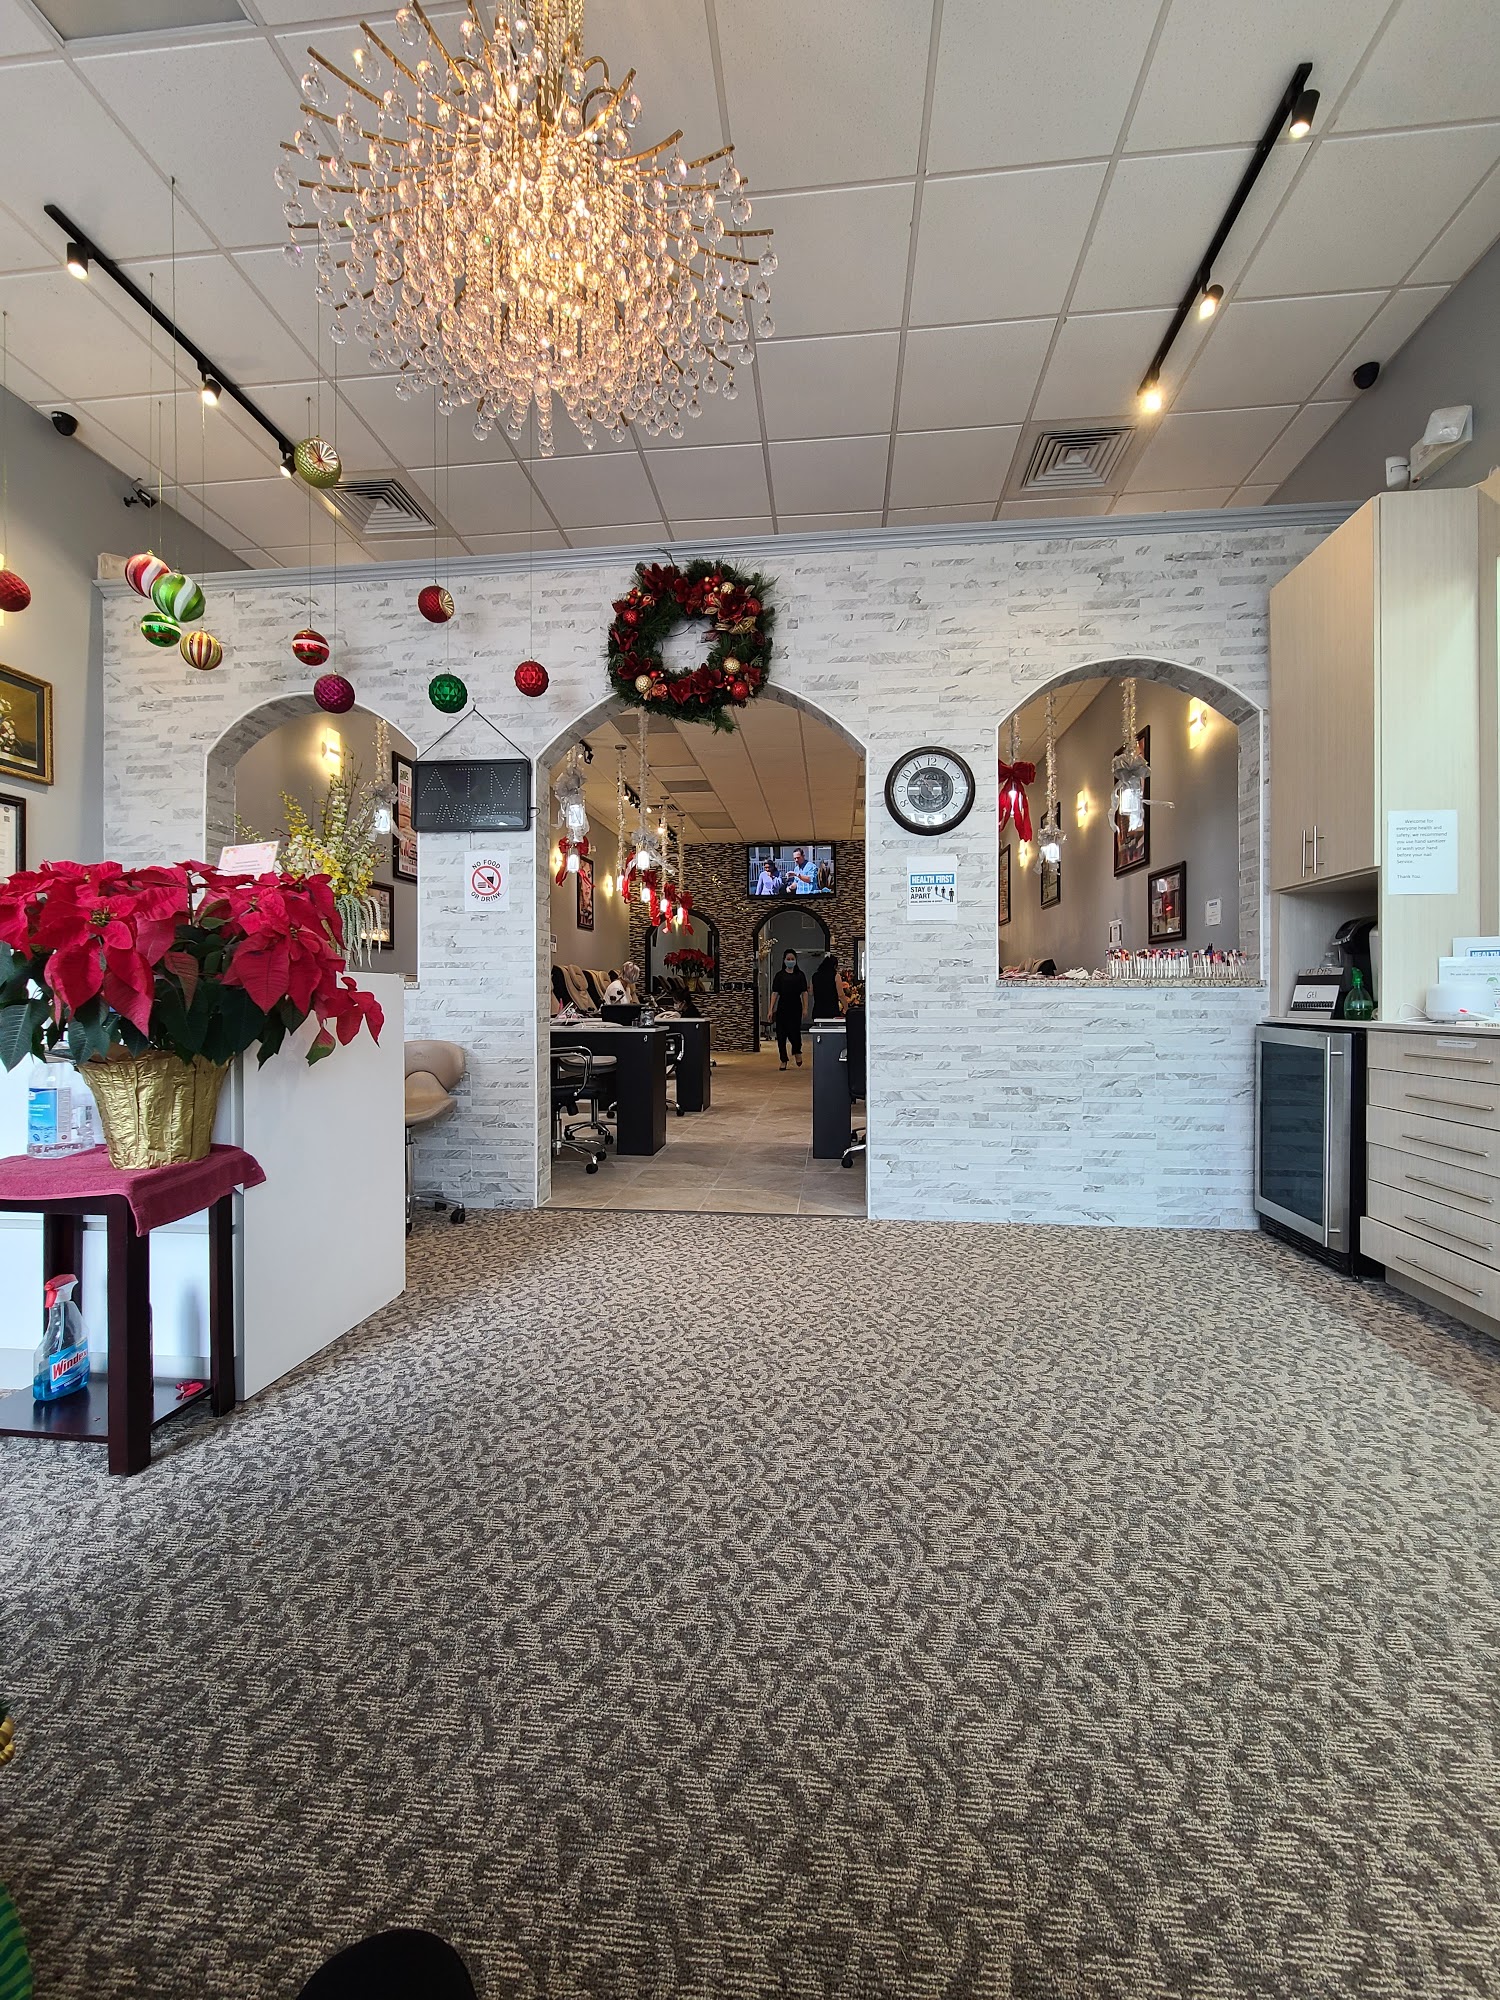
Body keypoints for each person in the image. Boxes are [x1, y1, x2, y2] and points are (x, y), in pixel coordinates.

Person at [770, 948, 808, 1069]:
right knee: (781, 1035)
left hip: (796, 1007)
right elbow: (775, 993)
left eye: (792, 959)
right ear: (784, 960)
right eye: (788, 959)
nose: (790, 961)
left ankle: (797, 1051)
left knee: (795, 1033)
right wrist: (770, 1009)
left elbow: (804, 992)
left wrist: (805, 1008)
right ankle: (783, 1059)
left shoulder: (800, 975)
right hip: (782, 1007)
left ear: (796, 960)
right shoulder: (779, 976)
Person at [811, 951, 843, 1020]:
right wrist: (846, 1008)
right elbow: (840, 995)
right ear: (834, 966)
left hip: (818, 1010)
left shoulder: (814, 976)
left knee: (818, 1026)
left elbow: (811, 992)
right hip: (832, 1011)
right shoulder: (836, 976)